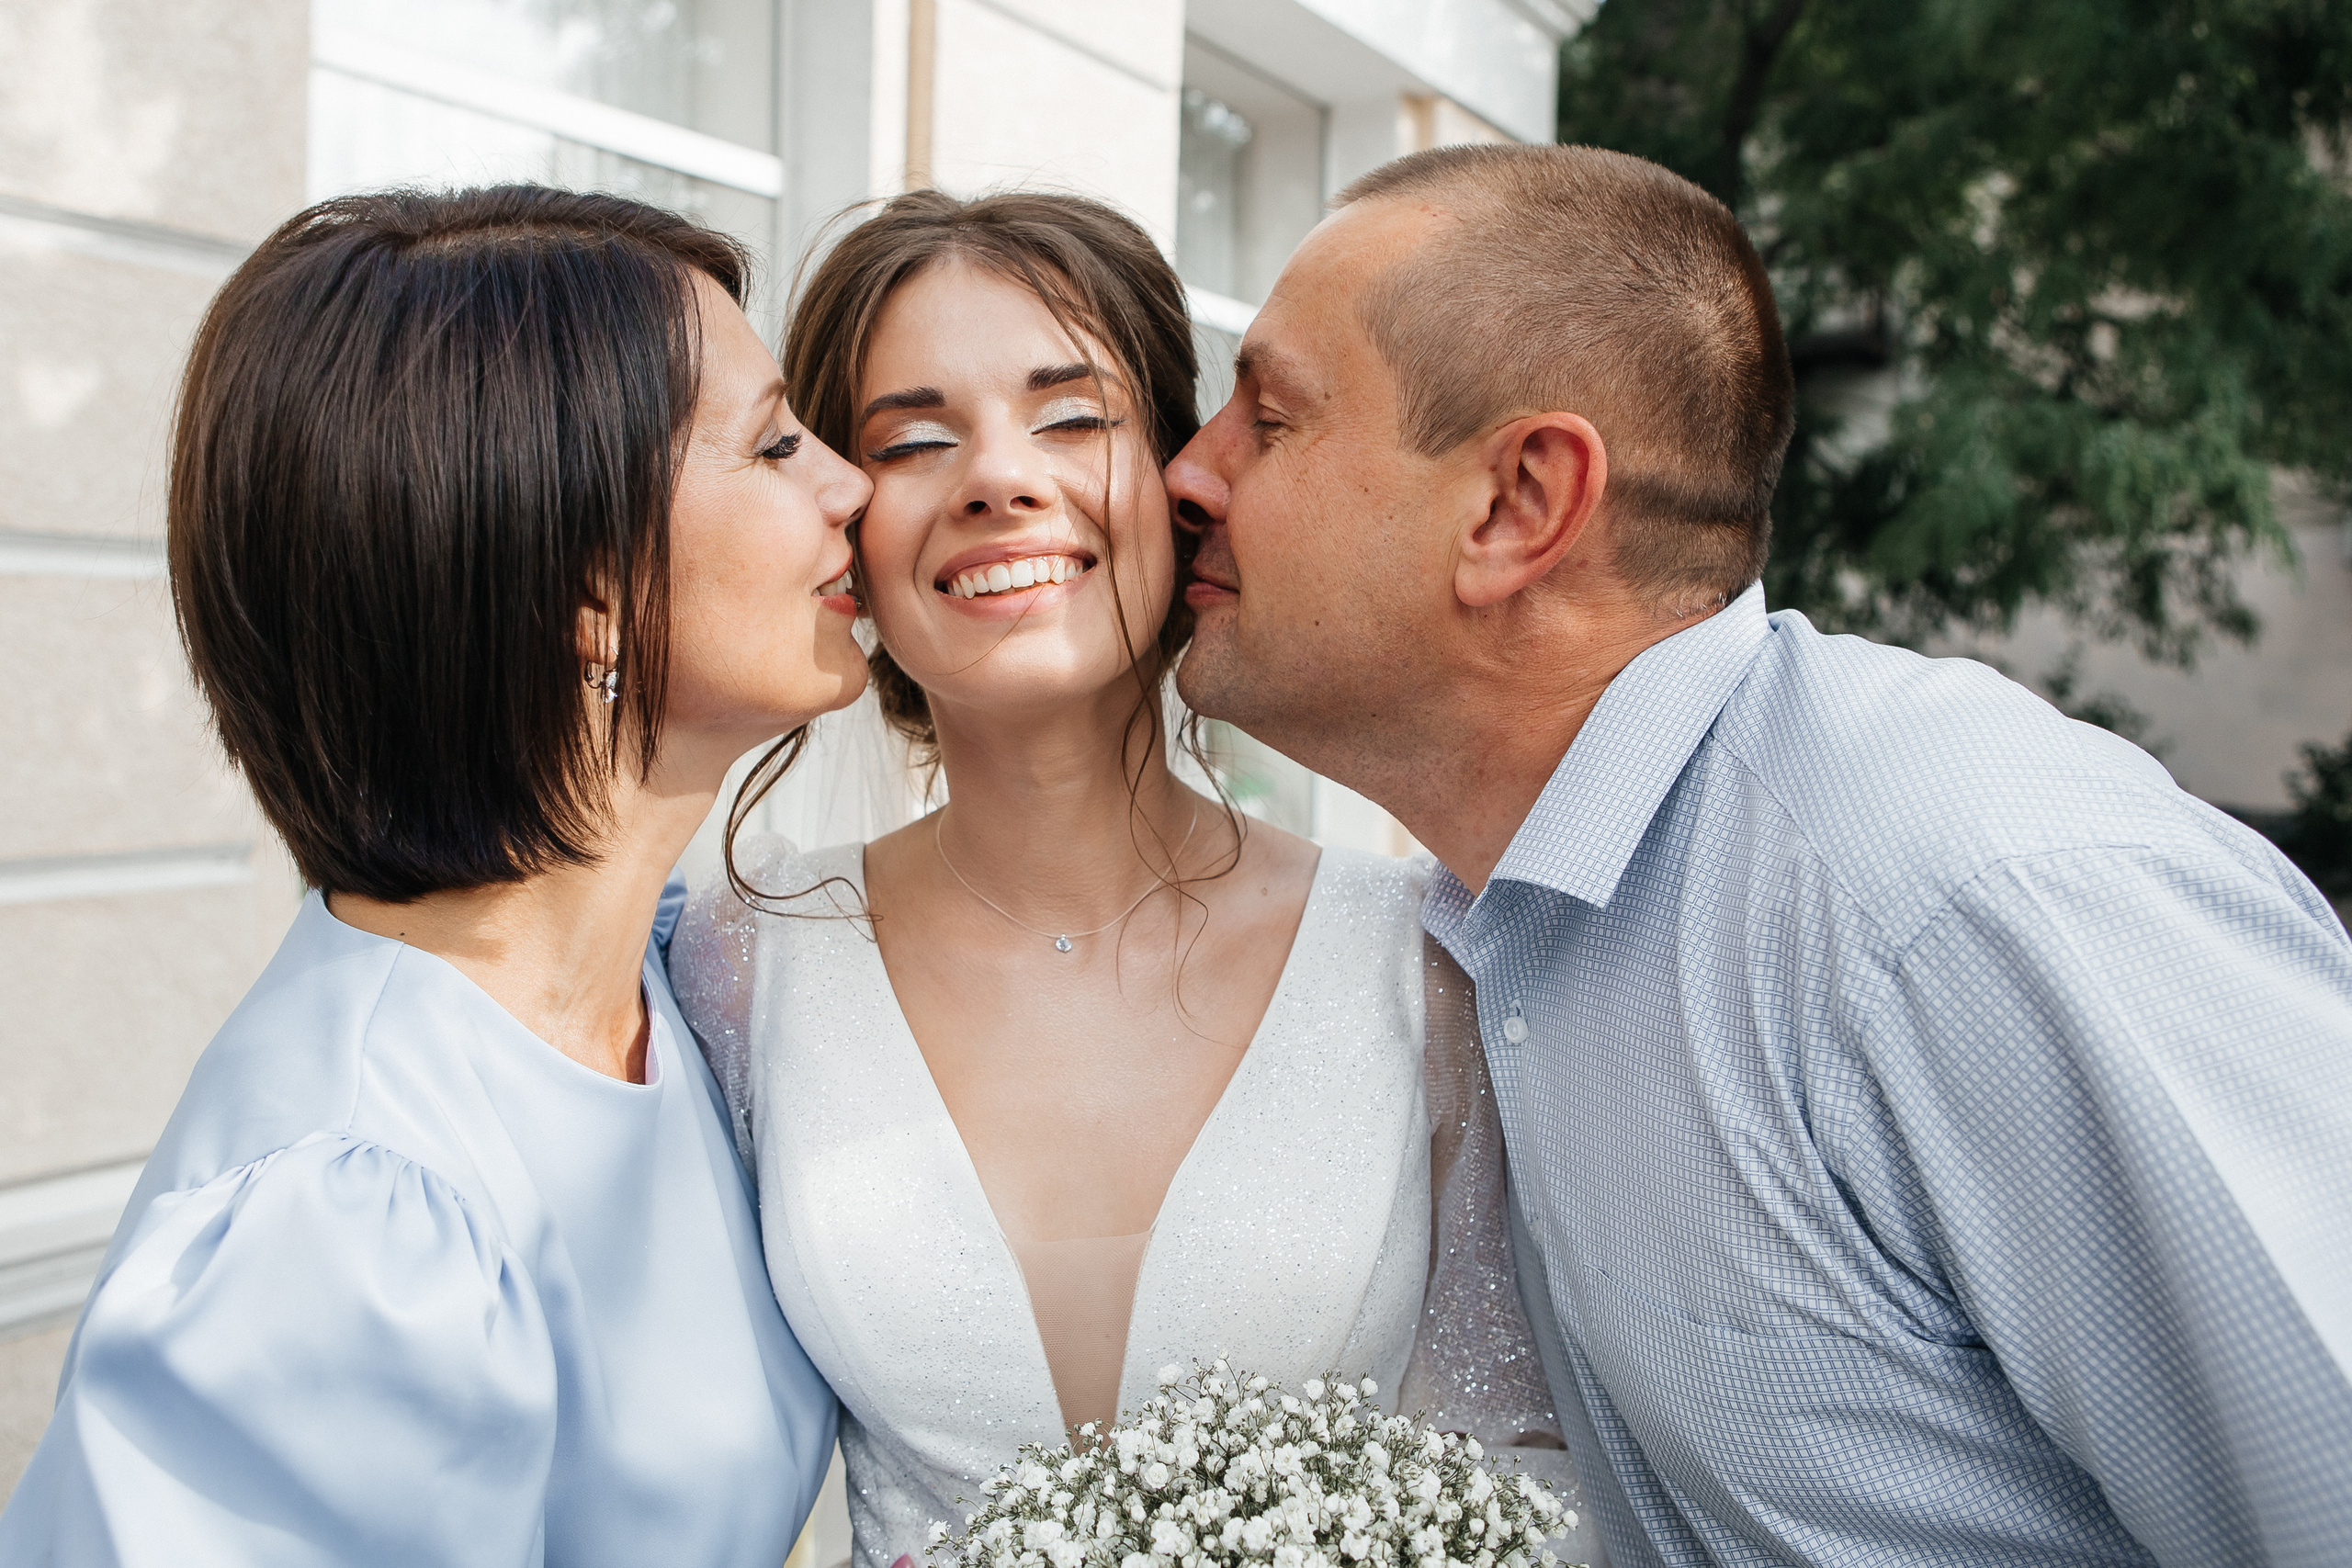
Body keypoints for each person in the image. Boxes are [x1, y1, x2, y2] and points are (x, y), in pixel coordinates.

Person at [1166, 141, 2352, 1567]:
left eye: (1271, 416)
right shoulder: (1497, 921)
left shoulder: (1959, 905)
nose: (1189, 471)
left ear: (1517, 505)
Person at [668, 188, 1577, 1568]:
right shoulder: (742, 964)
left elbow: (1522, 1473)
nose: (995, 478)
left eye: (1072, 417)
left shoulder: (1420, 958)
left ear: (1179, 472)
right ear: (844, 526)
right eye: (912, 440)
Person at [0, 186, 867, 1565]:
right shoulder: (349, 1217)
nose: (852, 483)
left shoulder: (665, 993)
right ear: (587, 582)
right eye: (775, 446)